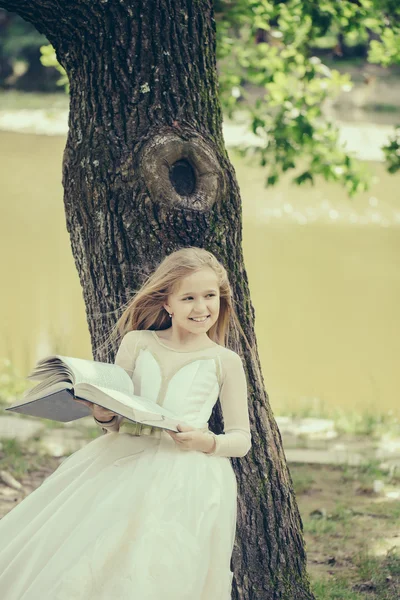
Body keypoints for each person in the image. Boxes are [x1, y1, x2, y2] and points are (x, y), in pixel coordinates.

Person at [0, 246, 254, 600]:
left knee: (159, 564)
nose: (201, 308)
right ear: (167, 303)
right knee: (93, 551)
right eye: (189, 298)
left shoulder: (224, 361)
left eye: (210, 296)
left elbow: (242, 439)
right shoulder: (137, 343)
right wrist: (103, 414)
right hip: (119, 458)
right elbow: (117, 412)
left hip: (187, 476)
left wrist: (205, 442)